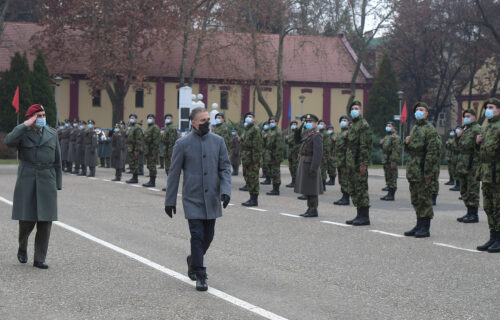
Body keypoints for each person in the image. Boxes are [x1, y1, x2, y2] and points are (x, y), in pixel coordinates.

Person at [164, 107, 231, 291]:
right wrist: (170, 201)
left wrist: (226, 190)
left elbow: (225, 168)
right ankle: (200, 274)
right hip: (192, 198)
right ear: (193, 123)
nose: (207, 123)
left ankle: (193, 260)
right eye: (203, 120)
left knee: (208, 237)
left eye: (208, 119)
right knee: (197, 235)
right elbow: (174, 174)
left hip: (212, 199)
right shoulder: (182, 143)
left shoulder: (219, 142)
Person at [4, 104, 62, 269]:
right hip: (27, 178)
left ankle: (39, 258)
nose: (42, 118)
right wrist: (25, 125)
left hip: (47, 179)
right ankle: (22, 246)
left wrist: (57, 183)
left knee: (45, 222)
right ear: (31, 117)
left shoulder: (52, 134)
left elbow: (57, 160)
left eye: (44, 115)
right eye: (39, 115)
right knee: (26, 221)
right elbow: (8, 141)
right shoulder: (23, 132)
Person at [404, 102, 441, 238]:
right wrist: (406, 143)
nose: (418, 111)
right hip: (413, 168)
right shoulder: (415, 128)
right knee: (416, 198)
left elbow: (432, 153)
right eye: (417, 110)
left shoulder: (429, 129)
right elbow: (411, 149)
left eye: (421, 110)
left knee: (425, 199)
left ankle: (425, 227)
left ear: (426, 113)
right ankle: (419, 224)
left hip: (423, 168)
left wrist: (428, 173)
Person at [476, 98, 500, 252]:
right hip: (486, 173)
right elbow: (483, 153)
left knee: (498, 207)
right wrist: (477, 144)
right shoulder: (485, 128)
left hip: (497, 173)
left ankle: (499, 238)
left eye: (491, 107)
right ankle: (492, 237)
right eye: (486, 107)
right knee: (488, 206)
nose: (488, 110)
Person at [345, 101, 372, 225]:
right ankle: (359, 214)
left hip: (358, 162)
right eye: (352, 108)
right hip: (351, 163)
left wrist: (363, 164)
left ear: (361, 111)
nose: (354, 110)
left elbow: (365, 146)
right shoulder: (352, 125)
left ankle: (364, 216)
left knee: (361, 189)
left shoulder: (363, 125)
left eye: (356, 108)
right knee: (354, 189)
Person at [455, 110, 482, 223]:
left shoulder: (477, 129)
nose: (466, 118)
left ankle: (473, 214)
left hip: (472, 164)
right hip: (463, 163)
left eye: (468, 116)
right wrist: (458, 137)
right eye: (464, 116)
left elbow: (478, 148)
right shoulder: (466, 129)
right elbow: (460, 146)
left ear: (474, 117)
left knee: (472, 190)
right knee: (464, 189)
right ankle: (468, 212)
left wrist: (475, 166)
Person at [294, 114, 323, 217]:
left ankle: (313, 209)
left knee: (312, 188)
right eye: (307, 122)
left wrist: (314, 168)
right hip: (304, 162)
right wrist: (300, 127)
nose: (308, 123)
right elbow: (297, 140)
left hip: (310, 163)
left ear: (315, 123)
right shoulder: (307, 134)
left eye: (310, 122)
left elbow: (318, 154)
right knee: (307, 187)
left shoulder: (316, 136)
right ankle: (309, 208)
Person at [240, 112, 263, 206]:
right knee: (247, 177)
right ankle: (251, 197)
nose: (248, 118)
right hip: (246, 157)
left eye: (250, 117)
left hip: (252, 159)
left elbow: (257, 146)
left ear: (254, 119)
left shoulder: (255, 129)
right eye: (246, 116)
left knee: (253, 178)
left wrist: (256, 161)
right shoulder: (246, 129)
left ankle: (254, 199)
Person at [380, 121, 401, 201]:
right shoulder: (387, 136)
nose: (388, 127)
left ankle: (392, 195)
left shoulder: (395, 137)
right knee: (388, 177)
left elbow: (396, 150)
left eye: (390, 125)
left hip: (391, 160)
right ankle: (389, 194)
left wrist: (394, 161)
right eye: (387, 125)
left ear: (393, 127)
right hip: (386, 160)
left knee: (392, 177)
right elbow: (385, 149)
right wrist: (381, 144)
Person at [333, 116, 351, 205]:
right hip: (339, 160)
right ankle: (343, 196)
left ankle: (346, 198)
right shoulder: (340, 133)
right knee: (341, 179)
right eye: (341, 120)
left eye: (345, 120)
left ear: (349, 122)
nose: (343, 122)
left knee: (345, 180)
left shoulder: (349, 132)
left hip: (345, 160)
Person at [265, 117, 283, 196]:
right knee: (272, 172)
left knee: (276, 172)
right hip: (270, 155)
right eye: (270, 122)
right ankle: (274, 188)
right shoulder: (270, 131)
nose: (271, 123)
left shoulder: (277, 132)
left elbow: (279, 146)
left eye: (273, 122)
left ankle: (276, 189)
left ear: (276, 123)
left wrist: (278, 157)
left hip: (275, 155)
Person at [161, 113, 179, 191]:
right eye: (166, 118)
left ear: (172, 119)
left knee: (170, 170)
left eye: (169, 118)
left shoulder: (172, 128)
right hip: (167, 151)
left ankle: (171, 186)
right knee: (168, 169)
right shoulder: (168, 127)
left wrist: (171, 153)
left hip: (170, 152)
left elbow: (172, 142)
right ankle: (170, 185)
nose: (167, 119)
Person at [143, 114, 161, 187]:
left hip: (152, 150)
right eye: (148, 118)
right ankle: (150, 180)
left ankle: (152, 182)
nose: (149, 119)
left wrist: (154, 150)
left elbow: (156, 140)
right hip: (148, 149)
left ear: (154, 119)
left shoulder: (155, 128)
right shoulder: (149, 128)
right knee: (150, 165)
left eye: (150, 118)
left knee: (152, 166)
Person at [126, 114, 143, 184]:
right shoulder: (131, 127)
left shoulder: (137, 127)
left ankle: (135, 178)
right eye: (130, 118)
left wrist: (136, 150)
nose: (131, 119)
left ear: (136, 119)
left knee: (135, 163)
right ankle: (133, 177)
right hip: (131, 148)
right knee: (132, 163)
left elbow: (138, 139)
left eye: (132, 118)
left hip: (134, 148)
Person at [286, 120, 300, 188]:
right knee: (291, 167)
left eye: (295, 124)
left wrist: (288, 139)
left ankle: (296, 182)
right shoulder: (291, 133)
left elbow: (295, 143)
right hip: (290, 153)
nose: (293, 125)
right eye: (292, 124)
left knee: (295, 167)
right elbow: (288, 143)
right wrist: (286, 139)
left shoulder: (297, 133)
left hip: (295, 153)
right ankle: (293, 181)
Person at [317, 120, 330, 191]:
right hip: (318, 154)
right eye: (319, 124)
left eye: (322, 124)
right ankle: (319, 185)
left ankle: (323, 185)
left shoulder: (326, 134)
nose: (320, 125)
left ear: (325, 125)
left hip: (323, 155)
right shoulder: (318, 133)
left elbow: (326, 146)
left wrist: (325, 157)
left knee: (322, 171)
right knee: (319, 170)